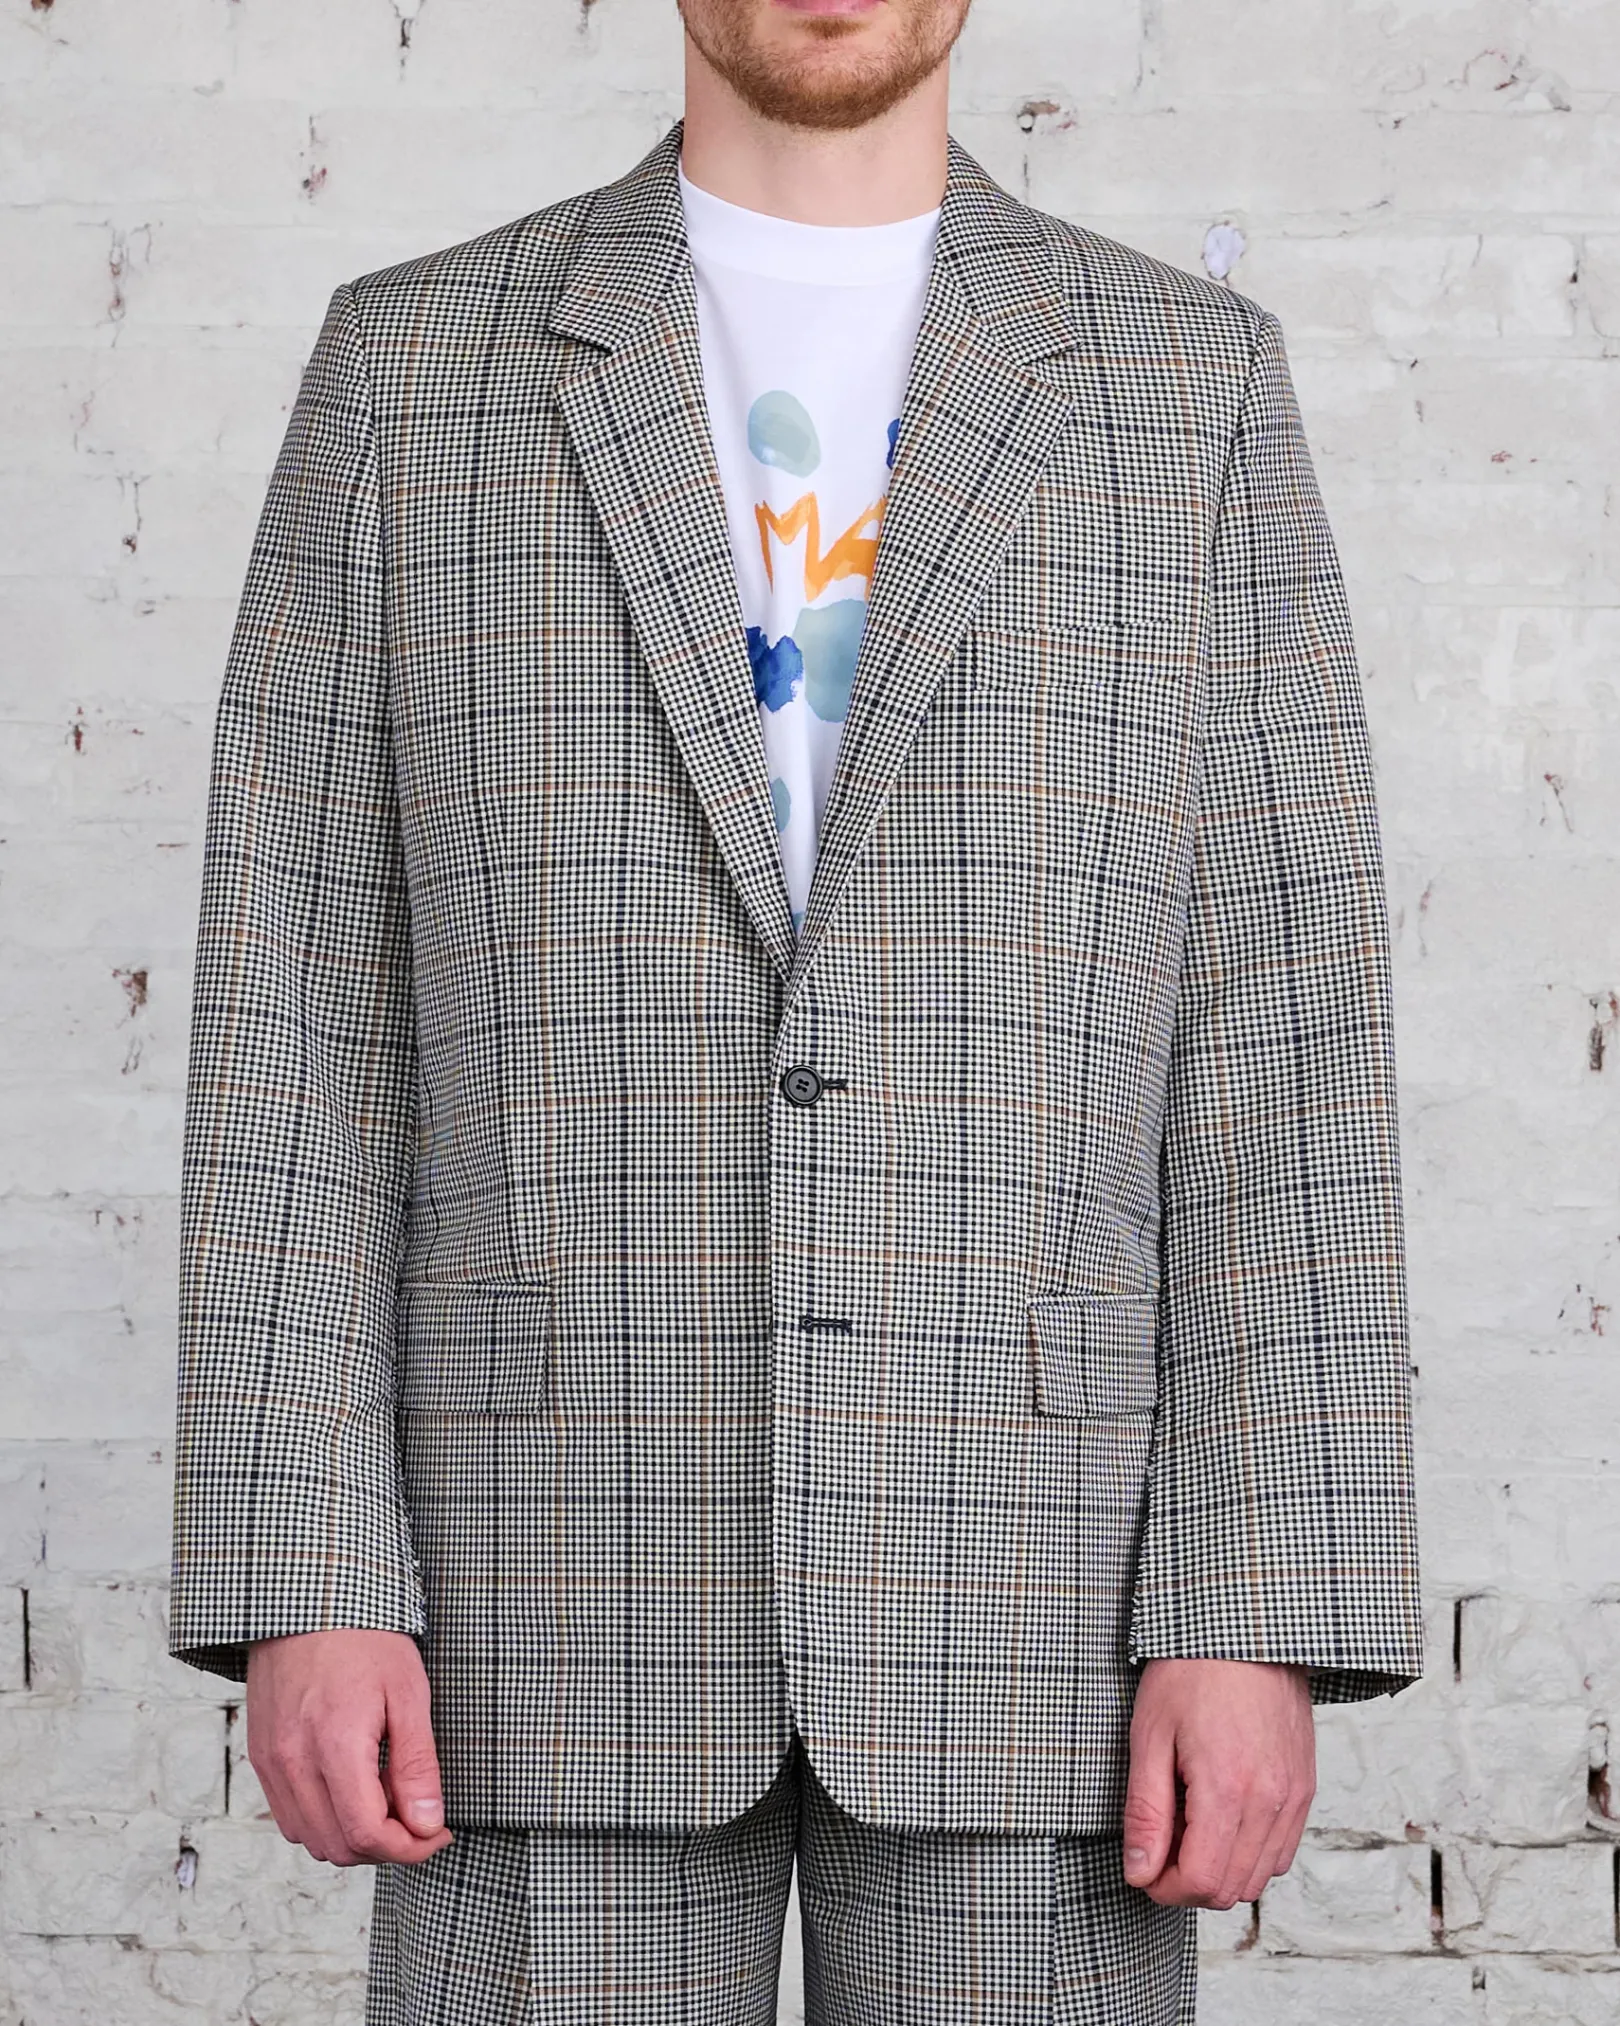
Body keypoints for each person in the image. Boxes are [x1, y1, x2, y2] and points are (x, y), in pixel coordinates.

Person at [168, 1, 1423, 2019]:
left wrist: (1254, 1597)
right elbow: (296, 1006)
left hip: (1041, 1596)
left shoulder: (1185, 386)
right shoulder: (412, 370)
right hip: (535, 1592)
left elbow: (1283, 1033)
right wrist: (308, 1567)